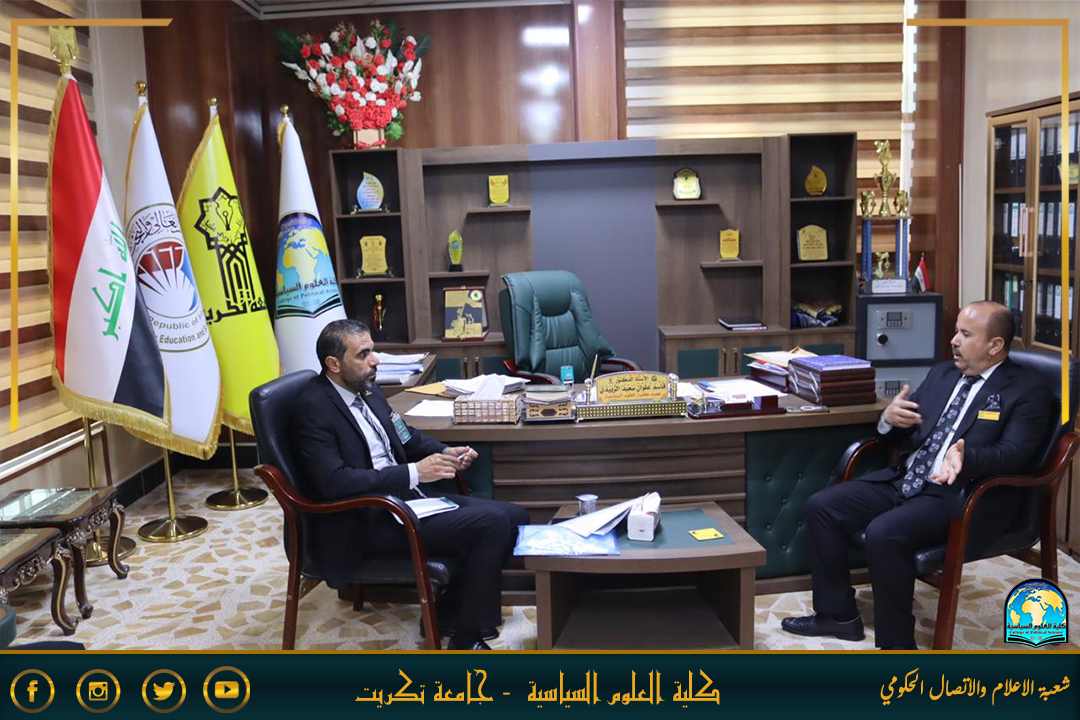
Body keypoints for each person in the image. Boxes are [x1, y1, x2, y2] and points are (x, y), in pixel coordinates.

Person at [782, 301, 1053, 649]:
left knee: (884, 532)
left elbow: (1017, 454)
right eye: (955, 331)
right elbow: (908, 434)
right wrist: (889, 420)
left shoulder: (1027, 390)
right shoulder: (943, 374)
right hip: (906, 480)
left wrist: (968, 457)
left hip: (961, 494)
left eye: (965, 334)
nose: (954, 340)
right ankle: (838, 616)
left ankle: (897, 645)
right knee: (823, 506)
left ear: (995, 345)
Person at [291, 319, 529, 650]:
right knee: (491, 525)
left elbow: (405, 435)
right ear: (333, 364)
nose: (375, 360)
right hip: (366, 520)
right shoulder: (313, 408)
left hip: (405, 501)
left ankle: (448, 613)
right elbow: (333, 482)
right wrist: (414, 473)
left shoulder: (366, 387)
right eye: (363, 354)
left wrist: (444, 452)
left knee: (516, 516)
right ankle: (466, 638)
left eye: (373, 351)